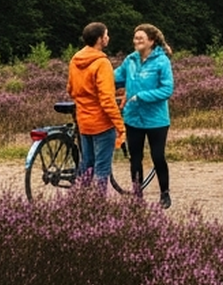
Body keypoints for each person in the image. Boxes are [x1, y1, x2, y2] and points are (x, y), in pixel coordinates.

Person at [115, 23, 176, 208]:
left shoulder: (161, 61)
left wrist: (140, 96)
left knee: (158, 156)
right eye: (135, 38)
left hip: (156, 119)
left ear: (151, 41)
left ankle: (165, 194)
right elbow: (115, 77)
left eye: (141, 38)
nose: (137, 41)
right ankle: (137, 195)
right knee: (135, 158)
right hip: (133, 118)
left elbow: (167, 89)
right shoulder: (130, 60)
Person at [67, 22, 124, 188]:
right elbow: (107, 99)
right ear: (100, 39)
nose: (108, 37)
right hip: (101, 123)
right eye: (106, 35)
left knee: (87, 164)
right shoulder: (102, 63)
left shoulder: (75, 60)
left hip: (84, 121)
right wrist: (119, 125)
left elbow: (70, 89)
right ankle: (99, 205)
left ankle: (81, 200)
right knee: (102, 167)